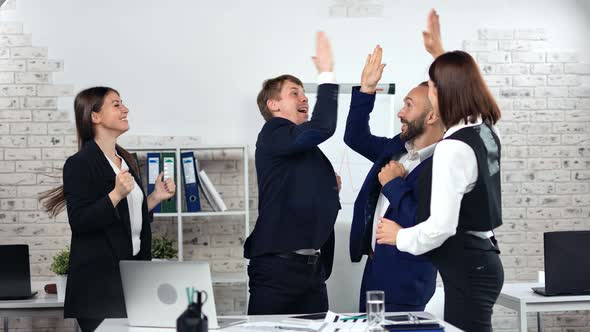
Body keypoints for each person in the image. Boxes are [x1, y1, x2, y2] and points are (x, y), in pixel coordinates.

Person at [376, 10, 504, 332]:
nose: (430, 92)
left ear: (444, 92)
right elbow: (469, 91)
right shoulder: (486, 129)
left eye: (432, 86)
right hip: (483, 259)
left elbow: (441, 227)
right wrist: (439, 52)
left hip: (467, 266)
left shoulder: (452, 148)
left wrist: (398, 236)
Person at [40, 87, 176, 332]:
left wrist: (155, 197)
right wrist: (115, 194)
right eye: (116, 104)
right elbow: (80, 222)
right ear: (95, 116)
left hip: (133, 280)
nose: (125, 109)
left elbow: (127, 218)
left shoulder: (126, 160)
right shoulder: (78, 164)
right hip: (99, 288)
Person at [244, 31, 341, 315]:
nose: (304, 98)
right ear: (273, 105)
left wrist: (328, 187)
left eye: (304, 93)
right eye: (294, 93)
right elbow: (323, 126)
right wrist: (326, 72)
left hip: (311, 273)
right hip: (277, 271)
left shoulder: (303, 149)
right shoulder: (273, 133)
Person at [345, 38, 445, 312]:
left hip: (408, 277)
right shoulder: (395, 147)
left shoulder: (445, 163)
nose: (401, 112)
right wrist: (366, 90)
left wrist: (394, 185)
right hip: (375, 268)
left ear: (432, 116)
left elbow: (429, 225)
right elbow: (355, 137)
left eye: (409, 105)